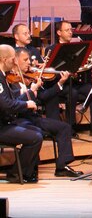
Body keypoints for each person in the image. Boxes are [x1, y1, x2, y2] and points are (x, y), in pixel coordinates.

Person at [11, 47, 82, 177]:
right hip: (18, 119)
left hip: (33, 117)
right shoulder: (9, 80)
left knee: (64, 127)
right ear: (15, 60)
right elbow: (12, 102)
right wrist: (31, 91)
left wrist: (60, 82)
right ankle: (28, 169)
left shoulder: (29, 78)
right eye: (25, 60)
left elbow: (43, 97)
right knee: (34, 132)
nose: (29, 63)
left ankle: (62, 166)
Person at [0, 44, 43, 183]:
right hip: (1, 126)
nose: (14, 62)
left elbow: (8, 97)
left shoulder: (2, 76)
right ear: (3, 59)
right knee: (35, 137)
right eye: (12, 59)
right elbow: (5, 104)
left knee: (37, 131)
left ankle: (26, 172)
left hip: (5, 123)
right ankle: (16, 173)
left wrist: (25, 92)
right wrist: (26, 104)